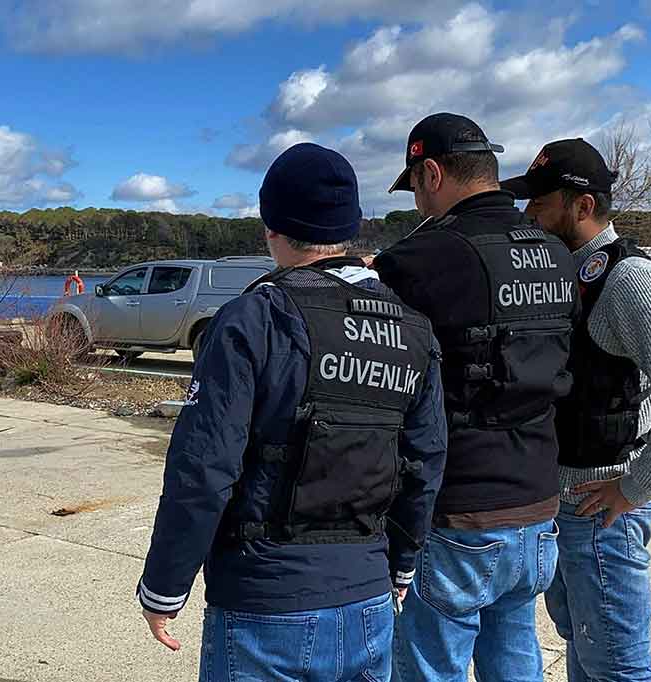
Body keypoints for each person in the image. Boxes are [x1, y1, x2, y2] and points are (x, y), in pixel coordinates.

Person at [136, 142, 447, 681]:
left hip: (266, 601)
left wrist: (165, 585)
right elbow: (424, 460)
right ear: (351, 226)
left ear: (271, 228)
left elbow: (204, 469)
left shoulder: (253, 319)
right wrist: (402, 562)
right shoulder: (412, 328)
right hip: (368, 591)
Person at [372, 113, 579, 682]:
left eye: (414, 186)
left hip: (461, 510)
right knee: (515, 660)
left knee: (427, 667)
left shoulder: (417, 259)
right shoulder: (558, 253)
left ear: (431, 173)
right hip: (539, 506)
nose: (417, 203)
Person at [502, 138, 651, 682]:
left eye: (539, 204)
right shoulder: (568, 277)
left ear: (581, 206)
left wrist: (633, 489)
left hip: (604, 504)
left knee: (617, 665)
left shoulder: (630, 281)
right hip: (566, 503)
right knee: (587, 658)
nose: (528, 215)